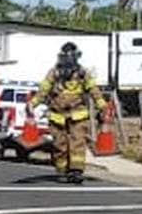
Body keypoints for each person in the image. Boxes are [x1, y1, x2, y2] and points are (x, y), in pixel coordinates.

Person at [27, 42, 107, 183]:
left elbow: (93, 90)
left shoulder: (83, 73)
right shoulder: (54, 73)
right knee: (59, 145)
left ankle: (76, 171)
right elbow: (43, 90)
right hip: (57, 115)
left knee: (77, 142)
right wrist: (32, 103)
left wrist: (102, 105)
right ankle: (62, 170)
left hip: (78, 114)